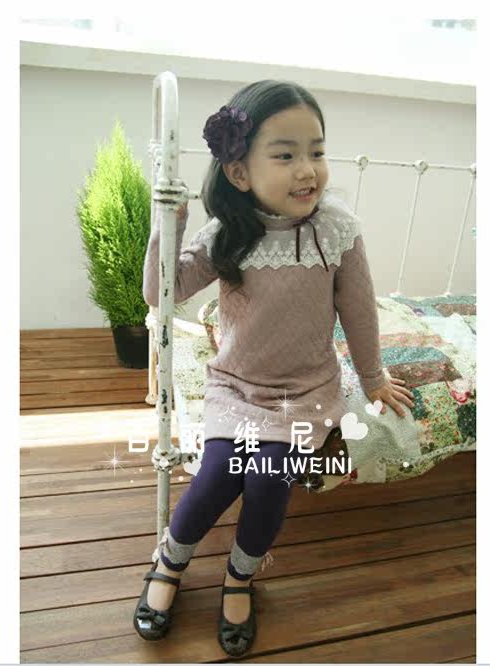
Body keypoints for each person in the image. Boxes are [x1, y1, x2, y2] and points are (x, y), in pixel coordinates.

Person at [134, 79, 415, 656]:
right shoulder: (228, 232)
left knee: (268, 479)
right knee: (217, 474)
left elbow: (358, 310)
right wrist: (171, 222)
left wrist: (373, 379)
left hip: (305, 390)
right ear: (240, 172)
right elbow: (164, 291)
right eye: (285, 155)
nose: (307, 170)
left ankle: (240, 576)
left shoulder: (335, 230)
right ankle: (169, 562)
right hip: (236, 387)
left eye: (317, 151)